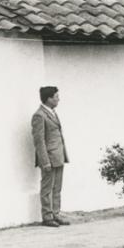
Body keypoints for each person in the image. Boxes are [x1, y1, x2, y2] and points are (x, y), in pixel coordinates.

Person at [32, 86, 70, 227]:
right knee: (47, 188)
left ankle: (56, 214)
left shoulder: (52, 113)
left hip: (58, 155)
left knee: (57, 187)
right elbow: (39, 140)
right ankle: (47, 217)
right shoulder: (39, 115)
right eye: (56, 97)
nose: (58, 99)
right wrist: (45, 161)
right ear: (48, 99)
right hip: (49, 157)